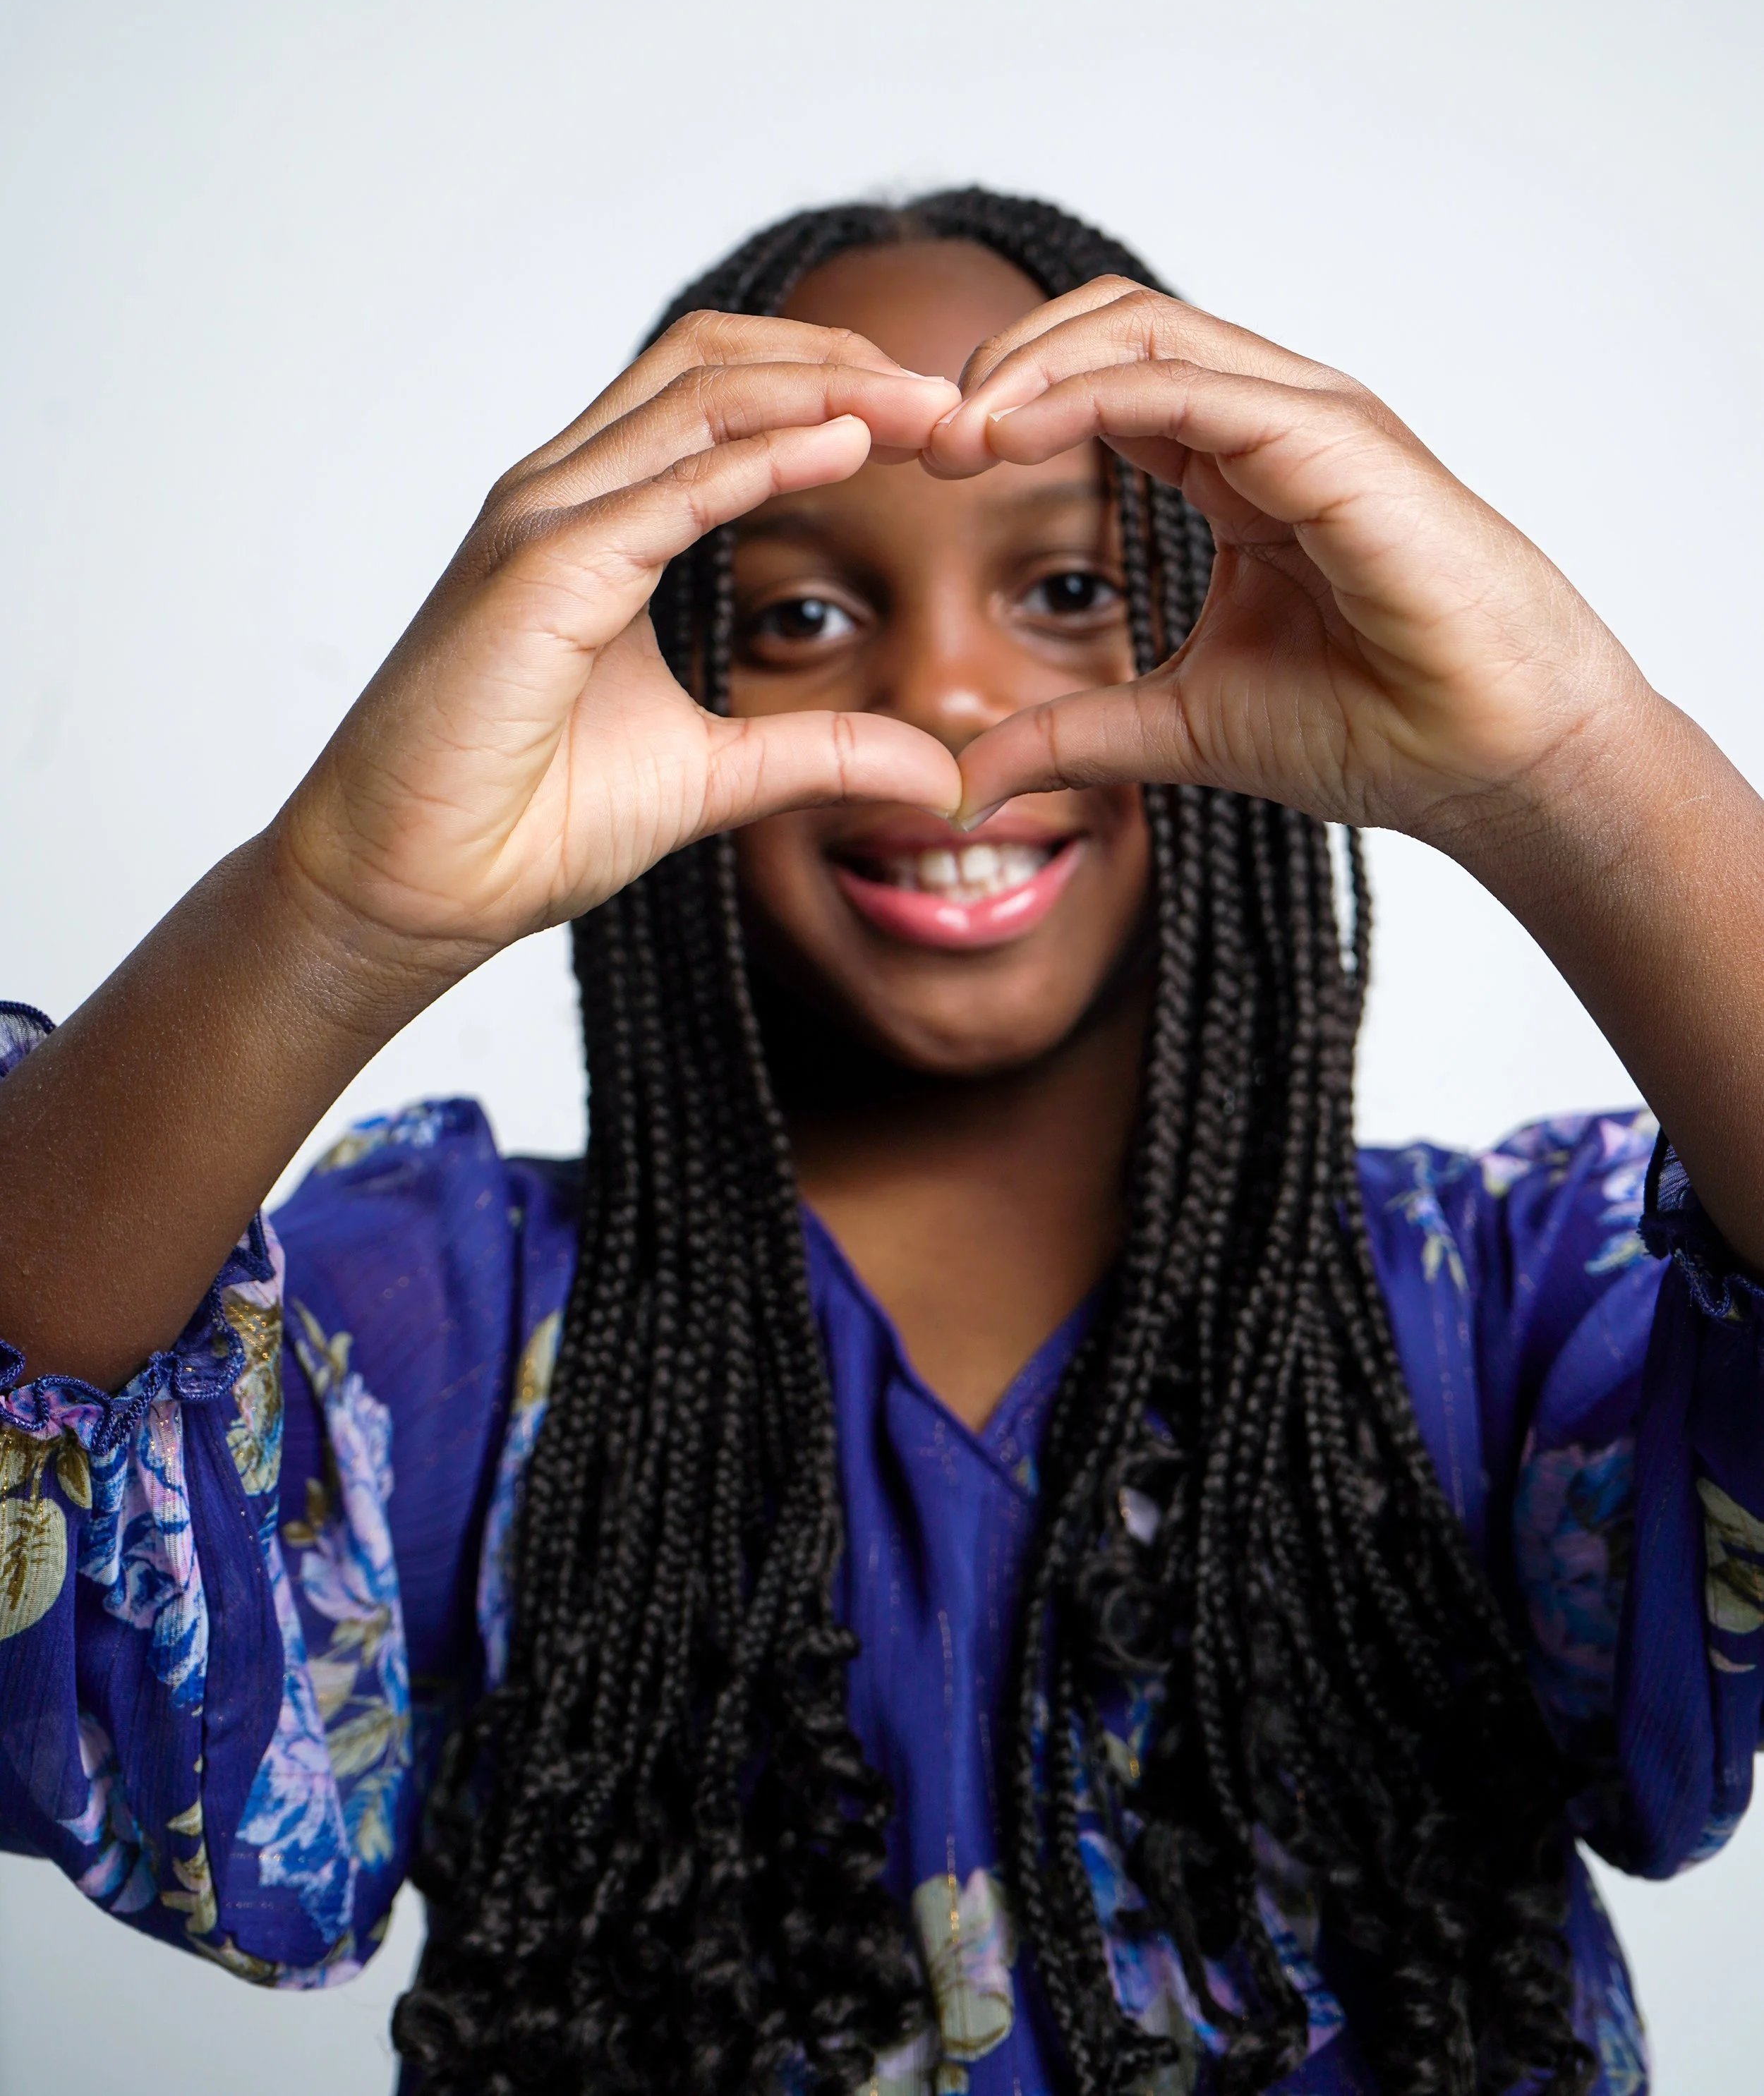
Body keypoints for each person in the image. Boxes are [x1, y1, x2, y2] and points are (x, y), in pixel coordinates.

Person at [1, 188, 1761, 2096]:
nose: (940, 697)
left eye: (1070, 589)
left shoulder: (1500, 1316)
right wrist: (335, 905)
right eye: (804, 612)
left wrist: (1572, 759)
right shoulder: (443, 1325)